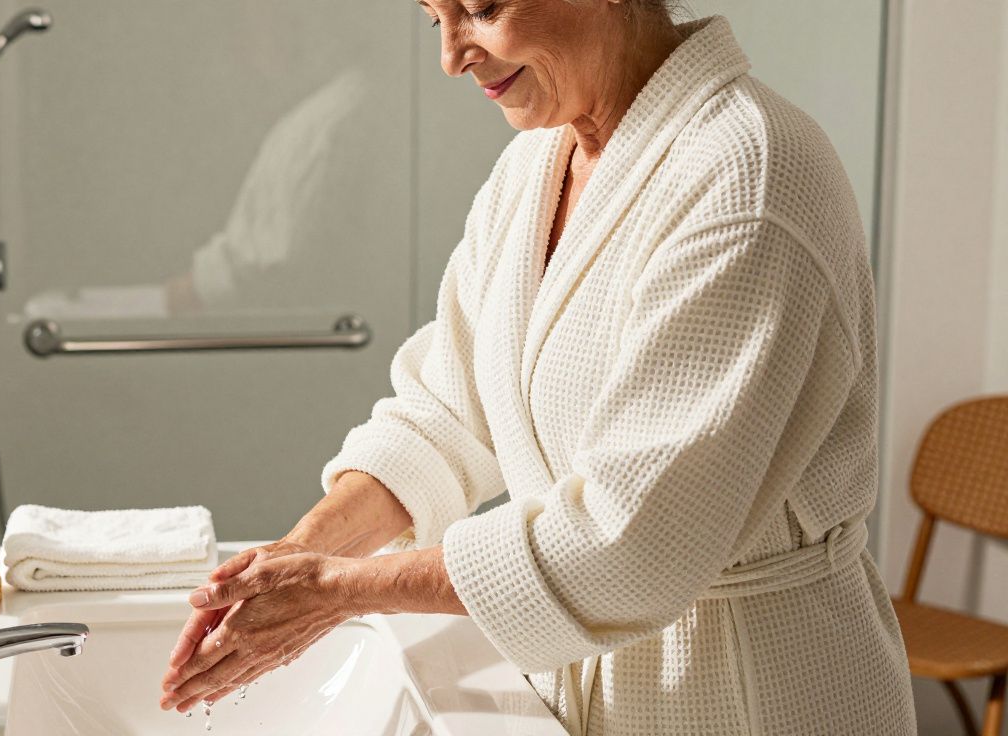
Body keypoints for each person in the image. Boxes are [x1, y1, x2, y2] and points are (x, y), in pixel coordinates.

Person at [160, 2, 918, 733]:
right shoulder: (537, 163)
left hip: (748, 692)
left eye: (484, 8)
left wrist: (337, 590)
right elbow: (445, 411)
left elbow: (634, 540)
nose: (451, 57)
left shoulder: (748, 175)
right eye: (434, 18)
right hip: (576, 688)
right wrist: (304, 552)